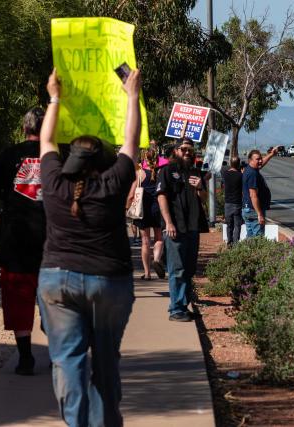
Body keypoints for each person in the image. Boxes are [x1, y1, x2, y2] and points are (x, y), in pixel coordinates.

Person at [36, 68, 141, 426]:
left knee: (68, 361)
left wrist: (55, 97)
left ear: (70, 161)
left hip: (58, 281)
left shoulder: (52, 181)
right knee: (106, 361)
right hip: (108, 282)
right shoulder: (113, 183)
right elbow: (131, 141)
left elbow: (45, 141)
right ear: (101, 162)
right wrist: (132, 95)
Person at [0, 107, 46, 376]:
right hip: (53, 242)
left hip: (16, 240)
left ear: (23, 128)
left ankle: (26, 358)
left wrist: (8, 192)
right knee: (55, 301)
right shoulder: (58, 156)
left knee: (19, 300)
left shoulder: (9, 155)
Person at [157, 138, 209, 322]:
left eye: (190, 150)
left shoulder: (195, 172)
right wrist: (168, 223)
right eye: (184, 149)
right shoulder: (167, 171)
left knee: (189, 269)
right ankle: (176, 309)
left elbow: (203, 199)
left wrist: (200, 187)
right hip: (175, 228)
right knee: (177, 269)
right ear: (176, 151)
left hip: (193, 227)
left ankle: (184, 306)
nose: (188, 152)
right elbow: (162, 197)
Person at [127, 148, 165, 280]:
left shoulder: (139, 173)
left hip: (143, 209)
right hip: (158, 208)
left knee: (145, 242)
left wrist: (127, 207)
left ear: (144, 158)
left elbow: (132, 194)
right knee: (159, 238)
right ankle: (157, 259)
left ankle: (147, 273)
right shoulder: (161, 172)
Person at [242, 148, 277, 237]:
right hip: (254, 210)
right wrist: (259, 214)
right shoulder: (252, 174)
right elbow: (253, 195)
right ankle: (256, 251)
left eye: (260, 158)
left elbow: (261, 164)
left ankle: (247, 251)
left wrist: (271, 154)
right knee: (258, 238)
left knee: (250, 237)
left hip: (247, 209)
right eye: (257, 159)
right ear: (250, 160)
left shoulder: (249, 169)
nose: (260, 161)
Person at [222, 156, 243, 244]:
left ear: (230, 164)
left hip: (228, 203)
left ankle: (229, 242)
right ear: (238, 164)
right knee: (237, 225)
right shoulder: (240, 175)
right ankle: (236, 243)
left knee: (229, 225)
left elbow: (223, 185)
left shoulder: (225, 174)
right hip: (237, 202)